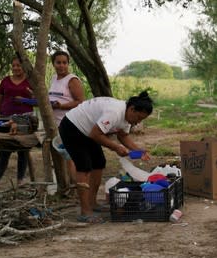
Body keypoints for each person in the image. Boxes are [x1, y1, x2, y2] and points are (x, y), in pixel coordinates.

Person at [58, 91, 154, 223]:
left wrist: (139, 150)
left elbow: (123, 136)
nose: (138, 123)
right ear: (132, 109)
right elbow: (96, 135)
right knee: (84, 166)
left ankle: (92, 203)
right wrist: (116, 147)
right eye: (138, 118)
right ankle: (85, 211)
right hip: (72, 127)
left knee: (99, 162)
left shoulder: (127, 117)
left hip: (89, 131)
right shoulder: (114, 112)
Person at [0, 56, 34, 189]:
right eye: (13, 65)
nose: (15, 68)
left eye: (18, 65)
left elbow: (38, 101)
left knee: (23, 149)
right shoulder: (5, 81)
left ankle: (21, 180)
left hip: (25, 119)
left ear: (24, 66)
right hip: (5, 118)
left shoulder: (30, 81)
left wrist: (26, 100)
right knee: (4, 149)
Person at [48, 50, 85, 184]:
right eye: (58, 62)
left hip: (69, 123)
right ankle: (65, 184)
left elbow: (80, 101)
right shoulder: (53, 78)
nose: (61, 65)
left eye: (64, 63)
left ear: (68, 64)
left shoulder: (72, 80)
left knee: (69, 156)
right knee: (60, 156)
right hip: (55, 123)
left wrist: (61, 106)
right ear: (53, 64)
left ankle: (76, 184)